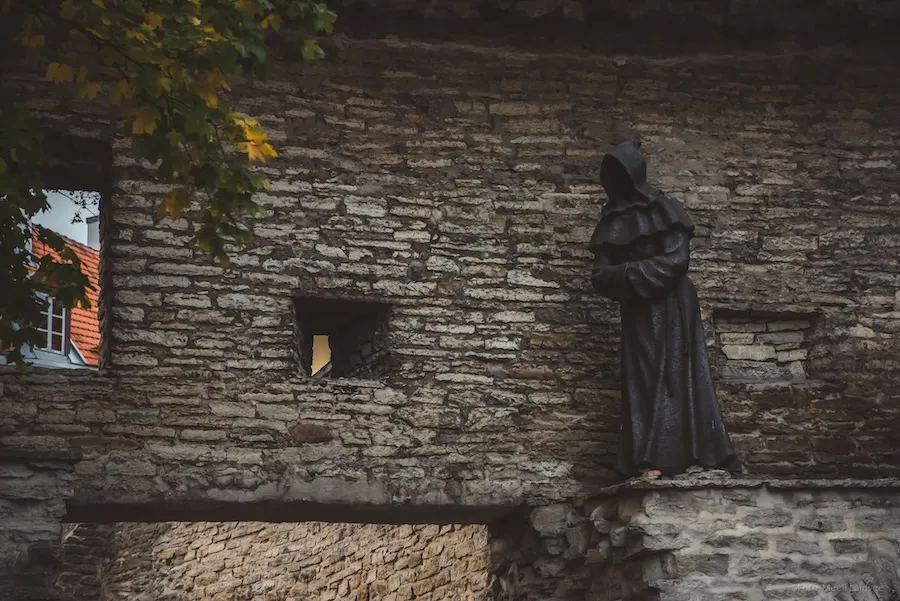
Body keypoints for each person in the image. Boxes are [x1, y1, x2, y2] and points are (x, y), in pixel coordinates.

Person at [589, 140, 736, 478]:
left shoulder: (665, 210)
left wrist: (629, 272)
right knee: (641, 381)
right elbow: (599, 275)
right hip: (638, 312)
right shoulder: (611, 219)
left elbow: (677, 260)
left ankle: (689, 453)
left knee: (679, 377)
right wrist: (631, 275)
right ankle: (646, 456)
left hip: (673, 306)